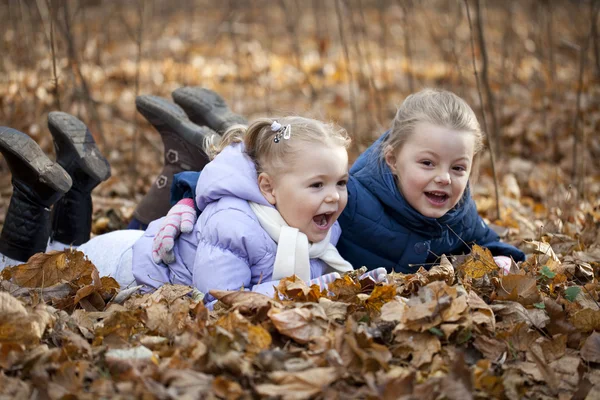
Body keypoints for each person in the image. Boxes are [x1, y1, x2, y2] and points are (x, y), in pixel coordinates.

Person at [0, 111, 371, 300]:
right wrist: (321, 288)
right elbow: (219, 300)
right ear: (268, 188)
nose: (334, 196)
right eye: (317, 184)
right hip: (125, 264)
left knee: (64, 256)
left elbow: (313, 277)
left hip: (140, 253)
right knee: (25, 281)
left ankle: (75, 182)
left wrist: (352, 284)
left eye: (341, 182)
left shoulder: (317, 227)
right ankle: (33, 196)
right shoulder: (235, 224)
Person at [155, 88, 525, 273]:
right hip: (267, 150)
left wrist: (501, 262)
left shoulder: (459, 212)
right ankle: (223, 128)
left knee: (281, 149)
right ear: (393, 159)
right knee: (278, 152)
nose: (444, 179)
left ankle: (226, 124)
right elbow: (261, 186)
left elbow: (491, 243)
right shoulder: (351, 196)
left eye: (459, 168)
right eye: (427, 163)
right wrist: (191, 198)